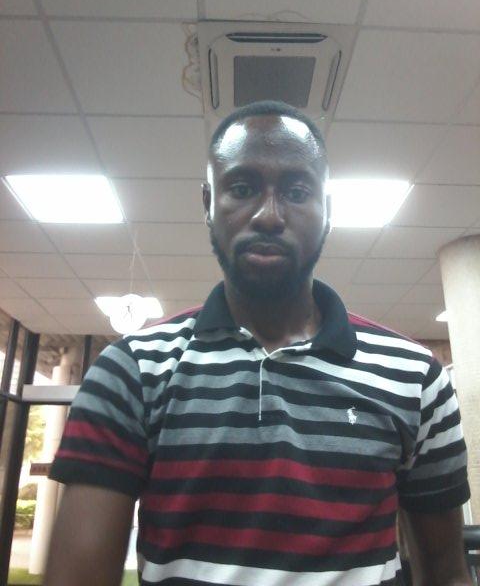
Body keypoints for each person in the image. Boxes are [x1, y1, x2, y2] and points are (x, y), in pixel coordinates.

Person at [45, 101, 472, 586]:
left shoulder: (415, 377)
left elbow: (447, 574)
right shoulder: (132, 371)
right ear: (208, 204)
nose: (269, 216)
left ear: (328, 211)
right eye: (243, 188)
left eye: (297, 191)